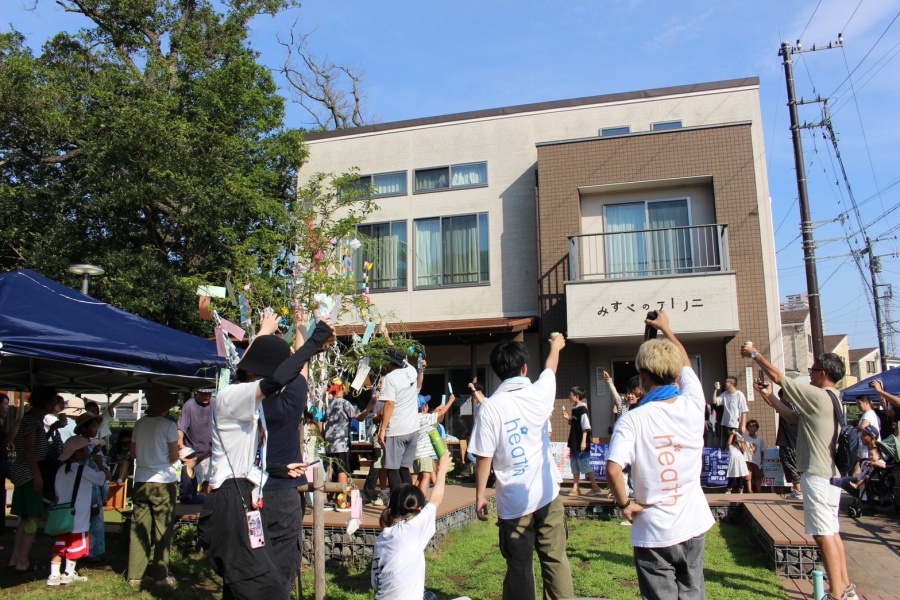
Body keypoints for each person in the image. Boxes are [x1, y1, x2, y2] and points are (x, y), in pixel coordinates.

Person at [199, 311, 333, 600]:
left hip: (252, 491)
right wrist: (313, 338)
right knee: (257, 582)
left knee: (255, 582)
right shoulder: (235, 396)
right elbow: (283, 377)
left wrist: (278, 468)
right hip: (235, 500)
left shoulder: (253, 406)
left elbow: (245, 462)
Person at [606, 311, 714, 600]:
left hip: (652, 528)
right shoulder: (694, 403)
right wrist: (667, 330)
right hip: (692, 521)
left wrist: (625, 504)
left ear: (642, 377)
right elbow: (686, 363)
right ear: (676, 375)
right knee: (693, 592)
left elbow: (614, 469)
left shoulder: (632, 419)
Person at [742, 345, 857, 600]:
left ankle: (836, 594)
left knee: (822, 535)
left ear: (823, 373)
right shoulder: (834, 399)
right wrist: (769, 397)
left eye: (813, 370)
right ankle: (846, 588)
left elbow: (778, 376)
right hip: (830, 474)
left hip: (816, 474)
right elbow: (793, 418)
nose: (810, 374)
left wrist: (754, 354)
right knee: (832, 532)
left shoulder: (818, 395)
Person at [469, 333, 574, 600]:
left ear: (497, 371)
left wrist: (480, 496)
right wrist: (555, 346)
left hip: (514, 501)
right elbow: (550, 368)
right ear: (524, 368)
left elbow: (484, 457)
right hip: (547, 493)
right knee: (556, 559)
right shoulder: (539, 393)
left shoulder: (490, 408)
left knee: (519, 567)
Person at [371, 453, 469, 600]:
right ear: (419, 509)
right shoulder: (413, 528)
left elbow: (375, 584)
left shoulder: (380, 540)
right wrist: (442, 471)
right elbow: (436, 499)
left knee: (428, 595)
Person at [127, 383, 179, 587]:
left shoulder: (139, 424)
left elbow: (133, 454)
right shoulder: (169, 425)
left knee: (138, 528)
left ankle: (135, 574)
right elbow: (174, 457)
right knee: (162, 529)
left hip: (141, 479)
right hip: (163, 481)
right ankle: (160, 575)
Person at [47, 436, 110, 587]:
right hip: (79, 514)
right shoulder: (84, 470)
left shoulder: (61, 470)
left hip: (61, 514)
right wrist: (100, 464)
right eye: (85, 449)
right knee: (75, 544)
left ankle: (54, 574)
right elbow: (103, 478)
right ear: (77, 453)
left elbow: (56, 493)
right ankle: (68, 573)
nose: (87, 451)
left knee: (60, 543)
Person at [8, 385, 57, 573]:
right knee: (33, 518)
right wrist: (37, 475)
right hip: (30, 474)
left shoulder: (30, 419)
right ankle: (23, 561)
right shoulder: (33, 421)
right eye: (53, 400)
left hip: (22, 473)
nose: (55, 404)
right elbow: (29, 449)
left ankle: (15, 559)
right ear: (45, 401)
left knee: (24, 518)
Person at [378, 347, 422, 491]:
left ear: (390, 363)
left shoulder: (390, 378)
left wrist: (382, 430)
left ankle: (397, 500)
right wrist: (387, 338)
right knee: (404, 468)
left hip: (396, 430)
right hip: (413, 429)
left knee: (392, 468)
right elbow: (403, 358)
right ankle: (409, 500)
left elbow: (389, 404)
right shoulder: (411, 370)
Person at [72, 411, 109, 563]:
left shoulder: (94, 446)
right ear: (83, 428)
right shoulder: (76, 446)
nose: (96, 429)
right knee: (81, 521)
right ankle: (79, 550)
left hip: (95, 489)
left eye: (96, 426)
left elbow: (105, 471)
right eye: (93, 426)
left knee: (95, 521)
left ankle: (94, 552)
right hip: (79, 490)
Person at [755, 384, 803, 499]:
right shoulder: (797, 406)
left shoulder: (785, 405)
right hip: (798, 442)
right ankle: (800, 491)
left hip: (788, 442)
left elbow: (771, 403)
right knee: (798, 466)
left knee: (791, 466)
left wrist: (762, 392)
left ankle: (798, 491)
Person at [177, 387, 215, 504]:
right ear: (196, 392)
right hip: (194, 451)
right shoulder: (189, 405)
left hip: (211, 451)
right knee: (190, 486)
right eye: (203, 394)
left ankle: (205, 505)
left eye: (209, 393)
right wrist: (180, 444)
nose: (207, 396)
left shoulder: (215, 402)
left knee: (209, 482)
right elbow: (181, 427)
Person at [412, 393, 456, 494]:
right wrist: (451, 401)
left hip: (416, 453)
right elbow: (442, 413)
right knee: (426, 477)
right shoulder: (426, 418)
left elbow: (437, 417)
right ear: (424, 407)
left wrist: (436, 411)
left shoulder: (414, 419)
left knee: (419, 478)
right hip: (424, 454)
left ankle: (415, 496)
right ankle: (421, 499)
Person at [562, 386, 600, 496]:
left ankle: (595, 487)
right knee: (574, 465)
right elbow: (576, 424)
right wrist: (568, 419)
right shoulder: (574, 408)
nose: (569, 396)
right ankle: (575, 487)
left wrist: (584, 441)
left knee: (585, 465)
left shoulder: (582, 409)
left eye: (571, 394)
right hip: (574, 441)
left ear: (577, 396)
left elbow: (586, 427)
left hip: (580, 442)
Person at [324, 380, 356, 496]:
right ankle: (341, 498)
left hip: (329, 443)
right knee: (342, 469)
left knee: (331, 469)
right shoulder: (345, 403)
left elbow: (321, 421)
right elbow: (358, 417)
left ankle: (328, 497)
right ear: (342, 387)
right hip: (342, 442)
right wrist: (369, 407)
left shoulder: (329, 404)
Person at [714, 376, 748, 441]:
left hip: (735, 425)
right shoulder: (725, 394)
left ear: (731, 383)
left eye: (726, 382)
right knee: (727, 444)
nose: (724, 384)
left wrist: (743, 425)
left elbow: (744, 410)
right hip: (726, 424)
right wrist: (715, 390)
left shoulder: (739, 394)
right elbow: (715, 401)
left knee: (735, 443)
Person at [855, 396, 880, 466]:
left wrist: (852, 430)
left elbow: (863, 426)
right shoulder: (867, 414)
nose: (858, 406)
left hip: (869, 448)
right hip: (865, 447)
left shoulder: (869, 413)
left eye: (859, 403)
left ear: (866, 402)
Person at [743, 420, 766, 493]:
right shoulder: (745, 437)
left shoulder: (760, 439)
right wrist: (740, 421)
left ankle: (759, 490)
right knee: (748, 476)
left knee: (758, 477)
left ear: (757, 428)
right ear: (747, 428)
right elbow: (739, 431)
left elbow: (762, 450)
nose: (752, 428)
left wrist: (761, 460)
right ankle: (750, 490)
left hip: (757, 460)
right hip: (747, 460)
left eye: (753, 426)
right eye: (749, 427)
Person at [725, 430, 749, 494]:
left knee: (740, 476)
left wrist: (742, 442)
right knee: (732, 476)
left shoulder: (739, 444)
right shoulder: (730, 445)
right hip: (733, 461)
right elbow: (728, 443)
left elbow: (743, 449)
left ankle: (741, 489)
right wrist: (732, 434)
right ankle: (729, 489)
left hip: (740, 460)